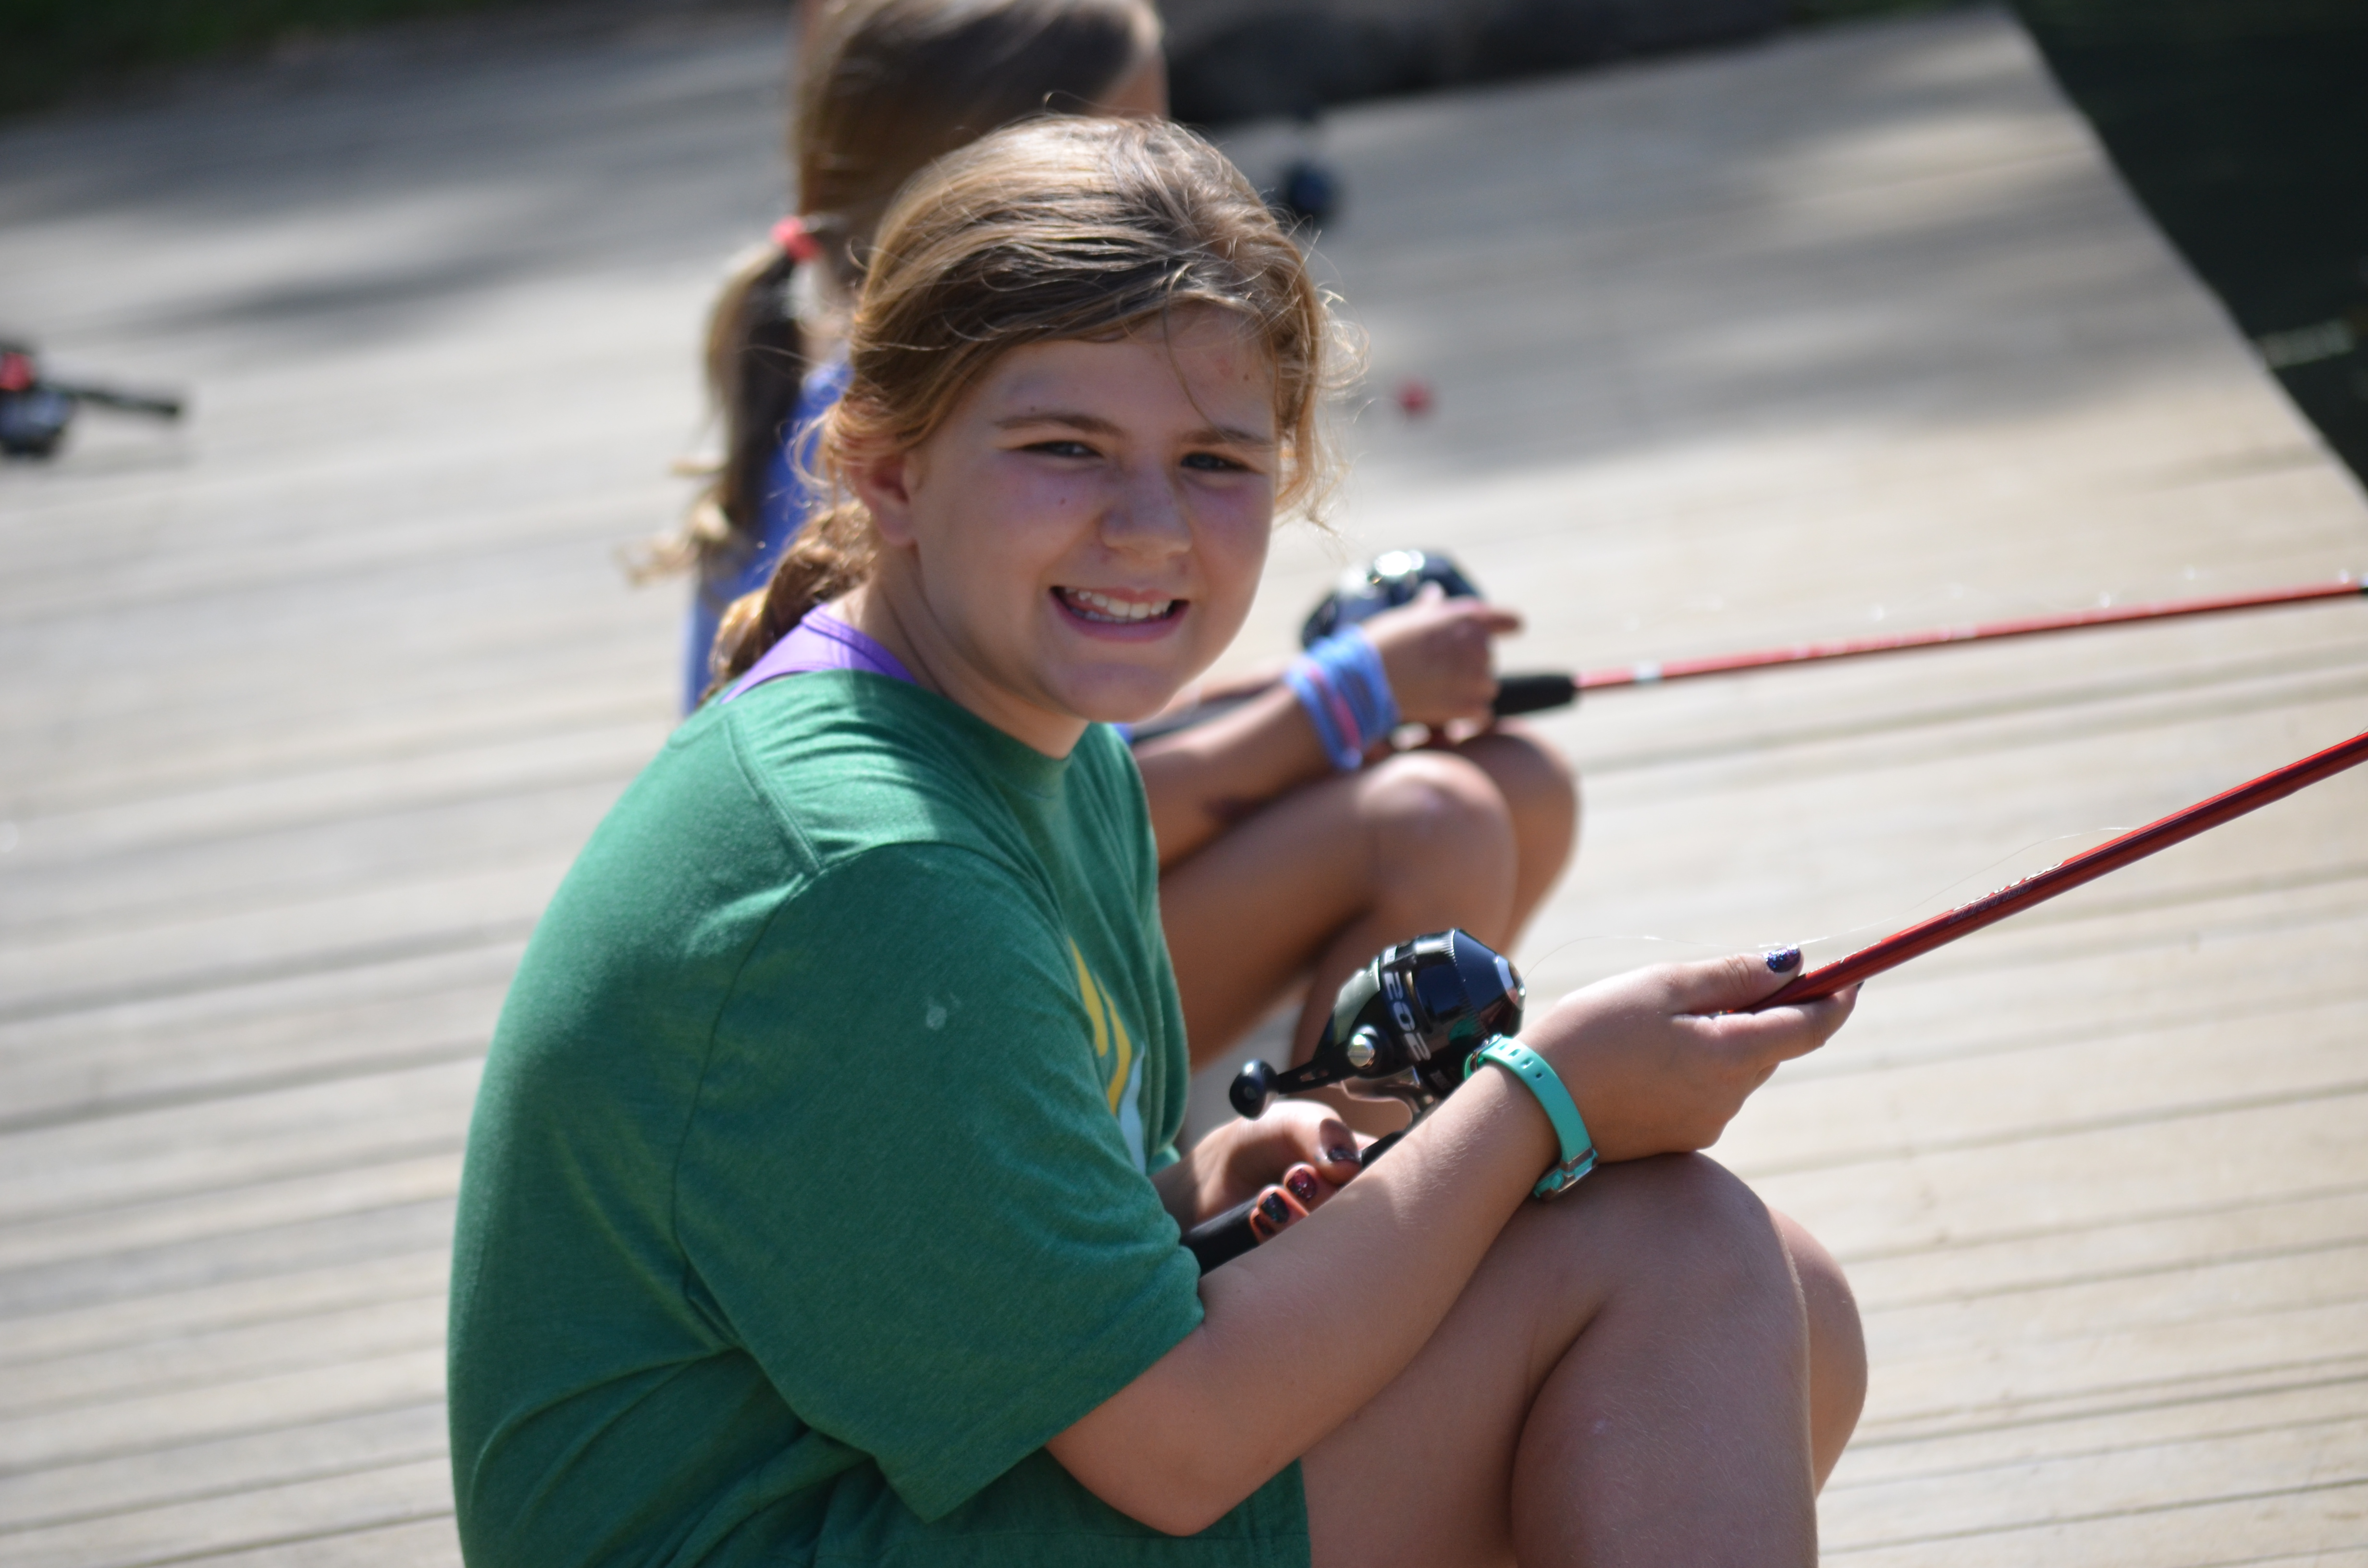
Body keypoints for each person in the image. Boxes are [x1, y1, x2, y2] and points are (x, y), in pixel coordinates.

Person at [455, 115, 1864, 1568]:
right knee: (1677, 1262)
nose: (1148, 528)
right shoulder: (875, 877)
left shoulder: (1044, 749)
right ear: (886, 468)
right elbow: (1176, 1446)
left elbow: (1022, 1231)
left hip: (885, 1484)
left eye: (1213, 460)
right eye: (1065, 449)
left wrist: (1204, 1188)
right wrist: (1540, 1100)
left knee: (1786, 1298)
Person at [653, 0, 1578, 1083]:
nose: (1172, 183)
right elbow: (1028, 820)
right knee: (1435, 823)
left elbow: (1057, 754)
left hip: (1004, 879)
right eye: (1124, 148)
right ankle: (1341, 1159)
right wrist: (1343, 703)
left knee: (1522, 788)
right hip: (931, 966)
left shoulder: (938, 400)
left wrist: (1305, 700)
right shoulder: (907, 433)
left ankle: (1311, 1129)